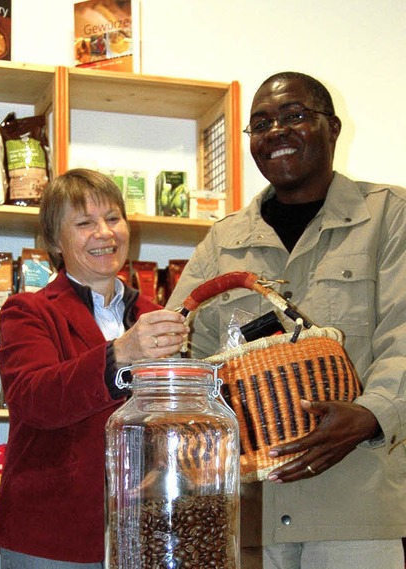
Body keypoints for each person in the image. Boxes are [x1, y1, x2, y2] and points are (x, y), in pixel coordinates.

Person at [166, 71, 406, 569]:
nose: (275, 131)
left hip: (355, 507)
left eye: (294, 116)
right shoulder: (223, 240)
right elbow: (181, 350)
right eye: (260, 124)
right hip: (245, 515)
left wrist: (369, 414)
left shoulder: (390, 216)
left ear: (332, 128)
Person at [0, 168, 189, 567]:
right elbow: (31, 399)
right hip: (52, 534)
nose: (104, 233)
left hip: (143, 529)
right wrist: (119, 355)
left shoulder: (153, 315)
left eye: (113, 218)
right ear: (54, 241)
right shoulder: (28, 311)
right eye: (84, 223)